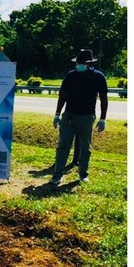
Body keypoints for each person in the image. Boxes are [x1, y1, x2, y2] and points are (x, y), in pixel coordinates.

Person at [49, 49, 108, 185]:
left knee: (85, 147)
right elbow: (62, 96)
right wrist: (57, 114)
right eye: (78, 63)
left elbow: (104, 99)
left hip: (87, 117)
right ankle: (57, 174)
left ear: (88, 64)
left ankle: (83, 174)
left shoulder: (98, 77)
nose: (79, 65)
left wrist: (103, 118)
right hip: (69, 115)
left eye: (82, 63)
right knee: (63, 145)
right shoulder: (70, 76)